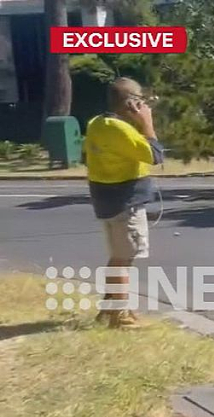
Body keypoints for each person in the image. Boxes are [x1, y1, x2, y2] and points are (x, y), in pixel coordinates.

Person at [84, 77, 164, 329]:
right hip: (125, 202)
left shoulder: (97, 123)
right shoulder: (121, 129)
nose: (143, 106)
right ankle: (121, 316)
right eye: (140, 102)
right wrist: (147, 123)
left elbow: (87, 155)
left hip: (106, 200)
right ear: (130, 103)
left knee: (119, 257)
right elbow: (155, 155)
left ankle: (108, 309)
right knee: (123, 259)